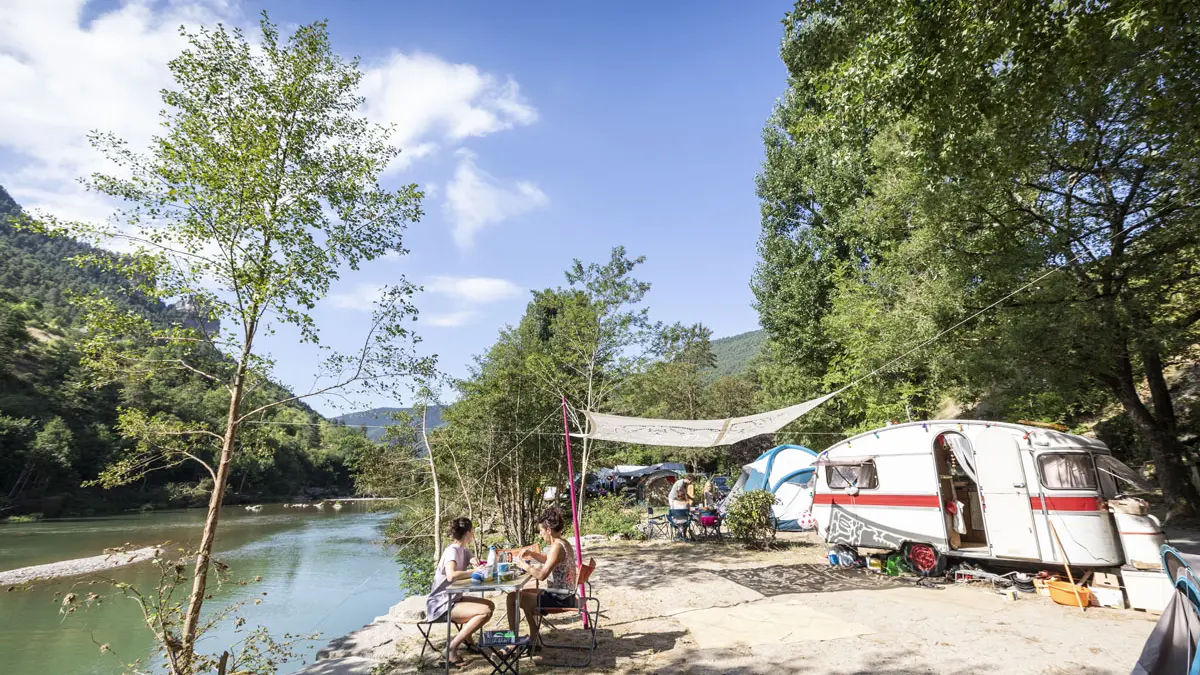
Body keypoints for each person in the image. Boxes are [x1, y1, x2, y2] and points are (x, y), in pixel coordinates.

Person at [507, 507, 578, 651]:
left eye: (541, 530)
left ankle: (511, 641)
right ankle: (534, 640)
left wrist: (523, 565)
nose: (540, 534)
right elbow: (549, 559)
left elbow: (541, 575)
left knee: (512, 598)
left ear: (549, 530)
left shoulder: (556, 547)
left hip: (559, 598)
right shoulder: (564, 543)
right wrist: (532, 554)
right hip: (565, 593)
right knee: (525, 595)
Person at [427, 517, 494, 666]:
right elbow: (451, 575)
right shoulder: (452, 551)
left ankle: (469, 642)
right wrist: (473, 571)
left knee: (490, 604)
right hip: (442, 604)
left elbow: (471, 558)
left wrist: (473, 560)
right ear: (469, 532)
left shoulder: (462, 548)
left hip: (453, 598)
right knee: (485, 611)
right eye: (473, 531)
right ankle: (451, 648)